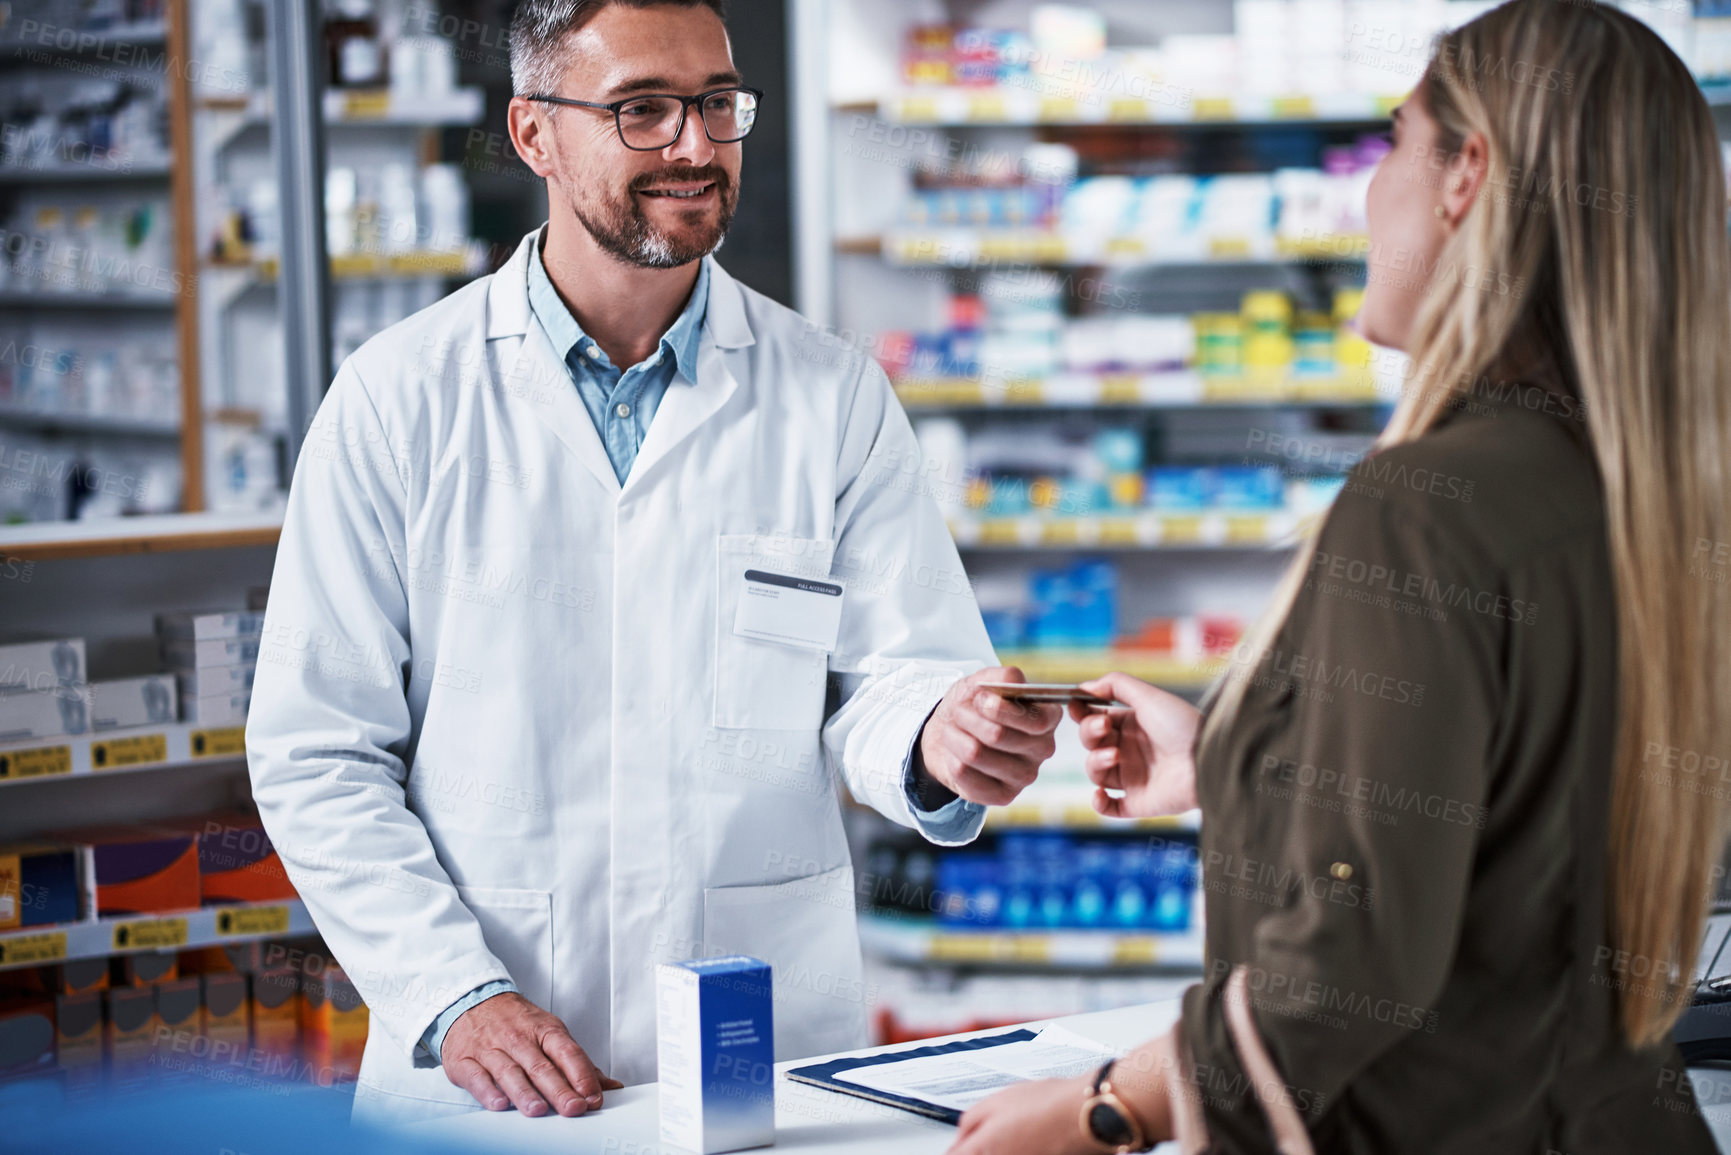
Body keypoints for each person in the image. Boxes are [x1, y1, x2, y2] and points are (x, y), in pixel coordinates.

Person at [246, 0, 1061, 1127]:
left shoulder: (829, 395)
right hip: (493, 1072)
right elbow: (315, 750)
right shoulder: (400, 400)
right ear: (534, 133)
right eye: (642, 110)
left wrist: (935, 737)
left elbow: (894, 678)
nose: (694, 146)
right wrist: (458, 995)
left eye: (718, 105)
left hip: (759, 1052)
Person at [949, 2, 1731, 1152]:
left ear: (1466, 176)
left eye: (1395, 144)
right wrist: (1245, 761)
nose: (1370, 192)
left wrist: (1103, 1110)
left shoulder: (1423, 506)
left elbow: (1349, 968)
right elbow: (1506, 819)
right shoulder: (1643, 488)